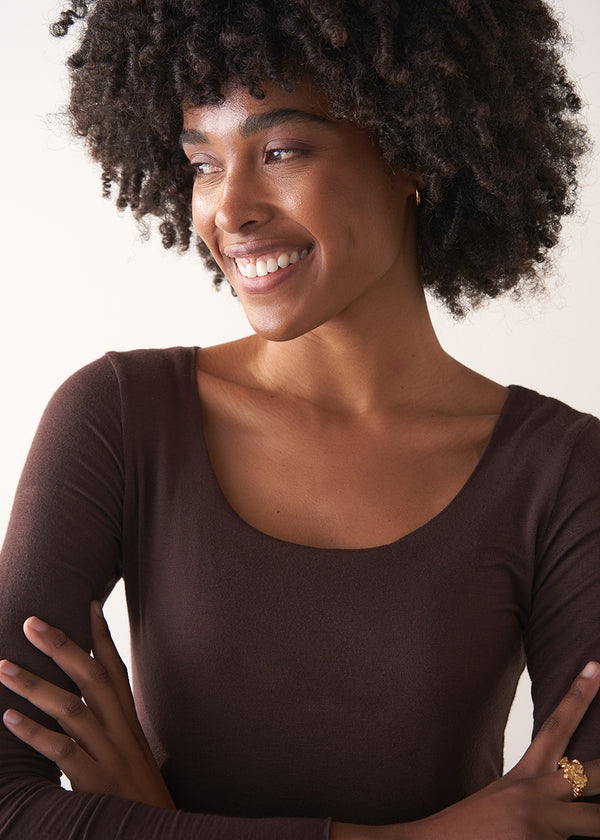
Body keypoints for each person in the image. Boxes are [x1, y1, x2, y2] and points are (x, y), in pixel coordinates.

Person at [0, 1, 599, 838]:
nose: (229, 209)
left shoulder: (561, 469)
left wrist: (154, 827)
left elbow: (590, 789)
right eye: (204, 163)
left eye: (281, 151)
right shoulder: (121, 421)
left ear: (414, 153)